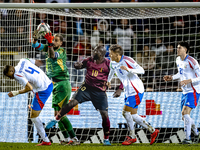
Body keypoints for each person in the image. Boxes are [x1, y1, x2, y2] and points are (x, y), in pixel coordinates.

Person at [55, 45, 124, 145]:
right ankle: (55, 119)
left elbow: (123, 77)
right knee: (72, 103)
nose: (93, 52)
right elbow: (79, 65)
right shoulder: (89, 60)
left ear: (100, 54)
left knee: (104, 115)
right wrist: (77, 65)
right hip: (86, 88)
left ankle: (106, 139)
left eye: (95, 51)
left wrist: (120, 89)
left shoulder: (109, 64)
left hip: (99, 92)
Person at [32, 31, 79, 145]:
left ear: (61, 43)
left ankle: (75, 139)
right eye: (53, 40)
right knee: (56, 114)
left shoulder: (61, 51)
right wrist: (35, 38)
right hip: (54, 84)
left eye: (56, 40)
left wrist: (49, 43)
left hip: (63, 84)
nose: (53, 42)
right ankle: (67, 138)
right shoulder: (49, 48)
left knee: (61, 114)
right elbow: (35, 45)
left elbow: (53, 55)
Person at [107, 44, 159, 145]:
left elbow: (142, 70)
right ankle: (153, 131)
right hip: (128, 90)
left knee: (125, 113)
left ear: (117, 54)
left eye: (111, 53)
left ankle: (132, 136)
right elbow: (112, 71)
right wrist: (108, 81)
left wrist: (129, 69)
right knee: (134, 116)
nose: (109, 54)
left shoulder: (127, 60)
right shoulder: (112, 62)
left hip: (136, 89)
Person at [3, 58, 53, 146]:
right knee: (34, 112)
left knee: (33, 116)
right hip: (48, 83)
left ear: (12, 70)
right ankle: (46, 138)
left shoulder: (17, 75)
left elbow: (29, 88)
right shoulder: (23, 60)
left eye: (9, 75)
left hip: (42, 91)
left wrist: (16, 92)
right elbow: (38, 62)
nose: (10, 78)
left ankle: (46, 140)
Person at [163, 41, 200, 144]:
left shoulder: (192, 61)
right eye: (177, 47)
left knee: (186, 113)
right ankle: (197, 134)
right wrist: (172, 77)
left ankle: (188, 139)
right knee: (184, 116)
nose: (177, 49)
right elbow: (180, 73)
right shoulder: (178, 60)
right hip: (185, 91)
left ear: (185, 49)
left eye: (180, 48)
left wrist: (189, 80)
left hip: (193, 90)